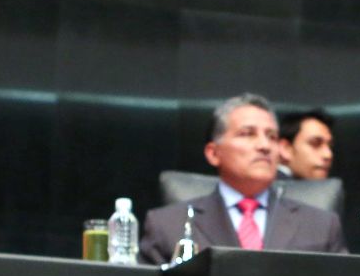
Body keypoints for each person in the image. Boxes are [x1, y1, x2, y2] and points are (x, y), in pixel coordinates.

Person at [139, 94, 347, 264]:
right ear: (213, 153)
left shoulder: (321, 225)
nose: (264, 146)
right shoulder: (166, 225)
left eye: (272, 137)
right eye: (247, 134)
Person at [276, 108, 335, 180]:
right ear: (286, 149)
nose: (328, 155)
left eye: (330, 146)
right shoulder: (268, 188)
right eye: (315, 143)